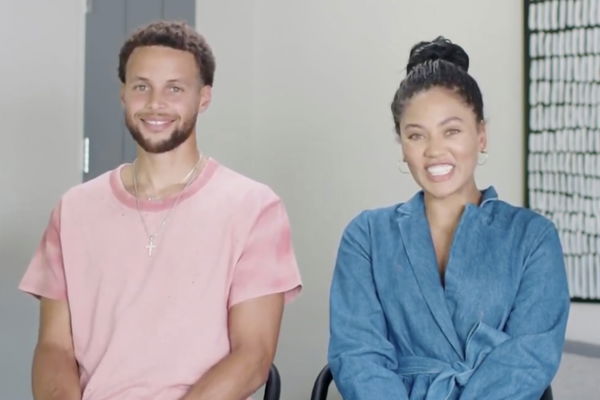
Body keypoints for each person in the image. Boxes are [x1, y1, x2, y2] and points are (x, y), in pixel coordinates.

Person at [20, 20, 302, 400]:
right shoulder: (73, 210)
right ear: (123, 94)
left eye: (174, 88)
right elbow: (54, 348)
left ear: (204, 97)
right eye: (141, 87)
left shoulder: (254, 208)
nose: (155, 104)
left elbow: (253, 355)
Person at [328, 36, 569, 400]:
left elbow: (527, 360)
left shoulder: (532, 237)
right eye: (416, 135)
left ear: (481, 135)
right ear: (402, 146)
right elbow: (357, 355)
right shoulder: (367, 236)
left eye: (451, 131)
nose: (435, 150)